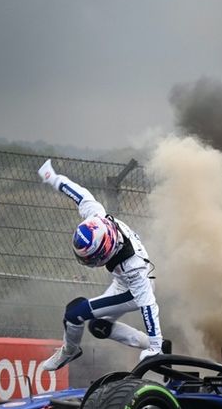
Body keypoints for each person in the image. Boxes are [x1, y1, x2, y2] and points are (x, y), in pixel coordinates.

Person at [37, 159, 164, 370]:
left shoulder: (133, 266)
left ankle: (70, 351)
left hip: (134, 289)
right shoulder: (97, 216)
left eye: (92, 259)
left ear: (107, 249)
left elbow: (149, 305)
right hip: (123, 282)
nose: (90, 263)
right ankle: (159, 347)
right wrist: (52, 177)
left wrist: (155, 346)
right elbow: (78, 193)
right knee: (99, 326)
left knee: (74, 313)